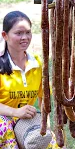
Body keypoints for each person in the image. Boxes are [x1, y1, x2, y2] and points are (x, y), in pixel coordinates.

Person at [0, 11, 56, 148]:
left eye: (28, 32)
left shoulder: (36, 63)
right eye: (18, 33)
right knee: (4, 127)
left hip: (26, 121)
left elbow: (44, 98)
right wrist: (15, 112)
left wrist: (44, 123)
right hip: (3, 121)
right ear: (4, 35)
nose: (24, 37)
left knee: (52, 142)